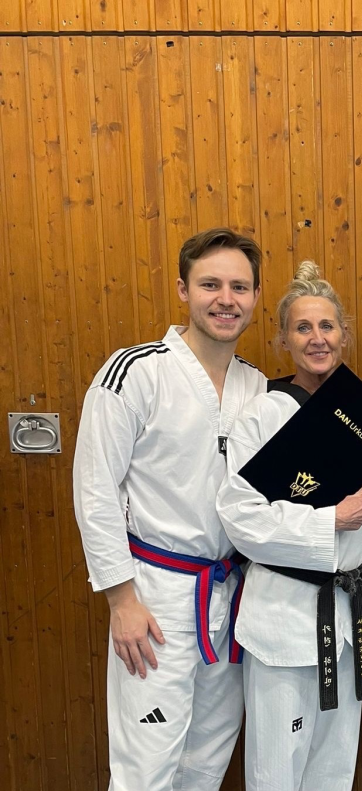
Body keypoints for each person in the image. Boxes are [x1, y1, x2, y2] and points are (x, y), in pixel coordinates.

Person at [73, 228, 268, 790]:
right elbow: (95, 489)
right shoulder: (135, 371)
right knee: (147, 767)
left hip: (230, 596)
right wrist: (121, 600)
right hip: (154, 596)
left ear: (256, 297)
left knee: (206, 762)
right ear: (183, 290)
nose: (226, 299)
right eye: (210, 285)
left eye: (239, 287)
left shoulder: (257, 386)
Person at [216, 261, 362, 791]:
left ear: (344, 335)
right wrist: (327, 520)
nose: (317, 338)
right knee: (277, 769)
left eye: (327, 326)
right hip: (283, 618)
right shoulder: (263, 415)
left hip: (348, 616)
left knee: (335, 765)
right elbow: (240, 516)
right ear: (282, 340)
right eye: (303, 328)